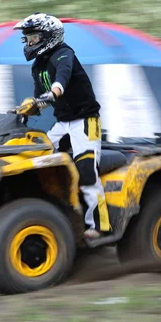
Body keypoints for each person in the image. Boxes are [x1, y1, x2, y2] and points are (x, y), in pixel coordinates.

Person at [13, 13, 110, 239]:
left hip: (86, 120)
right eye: (27, 39)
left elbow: (61, 81)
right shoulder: (38, 66)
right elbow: (40, 100)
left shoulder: (63, 54)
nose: (29, 43)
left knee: (86, 170)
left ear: (49, 36)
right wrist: (25, 110)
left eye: (33, 37)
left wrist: (54, 91)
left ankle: (99, 225)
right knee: (34, 159)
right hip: (63, 123)